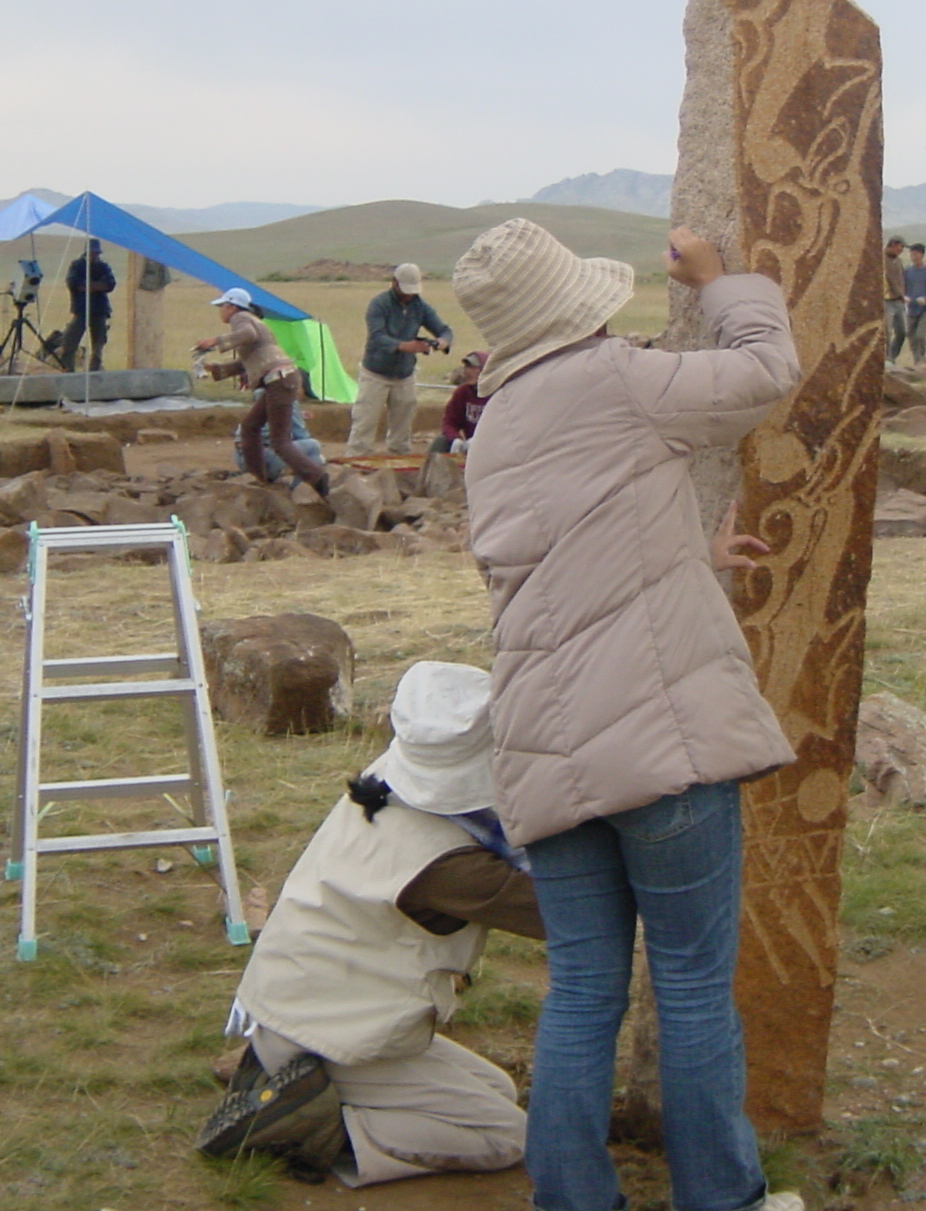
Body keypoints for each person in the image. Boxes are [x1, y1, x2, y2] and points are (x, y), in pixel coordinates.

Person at [455, 216, 806, 1211]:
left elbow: (564, 570)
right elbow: (765, 370)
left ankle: (571, 1199)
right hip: (661, 741)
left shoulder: (496, 431)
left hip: (542, 745)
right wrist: (721, 279)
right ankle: (719, 1199)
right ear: (576, 304)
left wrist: (685, 555)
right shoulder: (616, 378)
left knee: (580, 993)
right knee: (692, 986)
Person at [200, 662, 543, 1185]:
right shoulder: (449, 865)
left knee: (496, 1089)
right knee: (507, 1133)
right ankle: (303, 1123)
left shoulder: (386, 780)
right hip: (331, 1028)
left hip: (301, 1000)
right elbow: (559, 913)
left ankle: (282, 1078)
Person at [194, 288, 331, 496]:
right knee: (250, 427)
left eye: (222, 306)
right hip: (281, 379)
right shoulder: (257, 322)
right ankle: (259, 478)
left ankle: (319, 479)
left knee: (280, 442)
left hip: (278, 380)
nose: (220, 311)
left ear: (231, 306)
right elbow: (251, 360)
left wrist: (216, 341)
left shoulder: (240, 318)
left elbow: (248, 335)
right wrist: (220, 370)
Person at [345, 263, 454, 456]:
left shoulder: (420, 306)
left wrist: (441, 342)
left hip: (405, 375)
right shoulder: (379, 304)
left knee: (402, 431)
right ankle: (355, 467)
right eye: (406, 290)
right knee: (364, 424)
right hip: (375, 374)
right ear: (394, 283)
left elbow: (444, 329)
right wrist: (405, 346)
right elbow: (377, 336)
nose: (409, 295)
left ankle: (400, 468)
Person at [59, 239, 116, 372]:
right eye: (93, 252)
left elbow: (110, 284)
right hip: (81, 309)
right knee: (70, 340)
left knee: (98, 344)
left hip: (99, 310)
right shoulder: (77, 265)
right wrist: (96, 286)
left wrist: (88, 286)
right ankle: (68, 369)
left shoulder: (103, 266)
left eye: (97, 253)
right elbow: (73, 283)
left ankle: (94, 370)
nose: (95, 255)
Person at [428, 351, 487, 456]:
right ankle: (431, 470)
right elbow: (449, 422)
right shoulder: (462, 392)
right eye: (466, 367)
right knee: (441, 441)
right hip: (469, 445)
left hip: (493, 444)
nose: (467, 371)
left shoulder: (498, 393)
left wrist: (481, 440)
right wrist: (455, 438)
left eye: (473, 368)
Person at [902, 242, 926, 365]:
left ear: (922, 255)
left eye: (915, 254)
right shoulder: (907, 271)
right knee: (911, 336)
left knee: (920, 335)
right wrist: (904, 297)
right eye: (911, 254)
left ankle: (922, 359)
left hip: (925, 310)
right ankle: (916, 360)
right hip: (911, 309)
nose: (913, 256)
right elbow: (902, 288)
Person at [883, 235, 909, 364]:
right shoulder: (881, 259)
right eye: (901, 246)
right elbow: (890, 280)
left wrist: (904, 293)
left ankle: (891, 358)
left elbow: (901, 279)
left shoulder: (898, 261)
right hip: (886, 300)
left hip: (899, 301)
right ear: (893, 244)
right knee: (886, 331)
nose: (901, 250)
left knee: (902, 331)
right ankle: (884, 358)